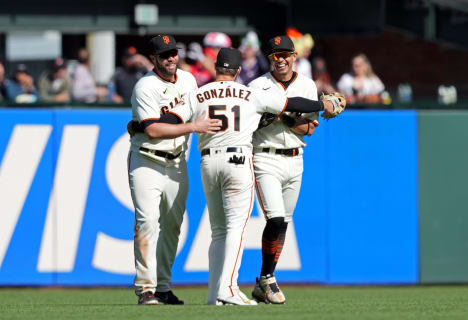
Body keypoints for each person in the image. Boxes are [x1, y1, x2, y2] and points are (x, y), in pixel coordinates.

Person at [129, 48, 341, 306]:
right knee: (236, 229)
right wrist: (323, 104)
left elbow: (169, 119)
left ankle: (213, 295)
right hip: (238, 160)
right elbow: (292, 104)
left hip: (208, 161)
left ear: (215, 67)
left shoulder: (199, 93)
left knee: (218, 231)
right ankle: (228, 289)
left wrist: (140, 125)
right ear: (239, 71)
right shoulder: (251, 93)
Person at [128, 34, 220, 305]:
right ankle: (146, 288)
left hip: (177, 161)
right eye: (164, 54)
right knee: (147, 223)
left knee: (172, 226)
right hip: (147, 160)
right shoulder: (145, 86)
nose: (171, 58)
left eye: (173, 53)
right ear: (153, 58)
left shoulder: (189, 80)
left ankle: (163, 287)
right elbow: (154, 130)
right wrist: (193, 127)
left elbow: (199, 109)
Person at [248, 35, 320, 305]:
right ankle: (267, 278)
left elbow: (309, 129)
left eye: (285, 55)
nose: (280, 60)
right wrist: (285, 115)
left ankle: (263, 283)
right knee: (275, 219)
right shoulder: (257, 86)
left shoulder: (307, 85)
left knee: (284, 223)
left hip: (295, 157)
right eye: (275, 55)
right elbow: (250, 125)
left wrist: (282, 115)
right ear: (269, 59)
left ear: (294, 57)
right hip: (265, 157)